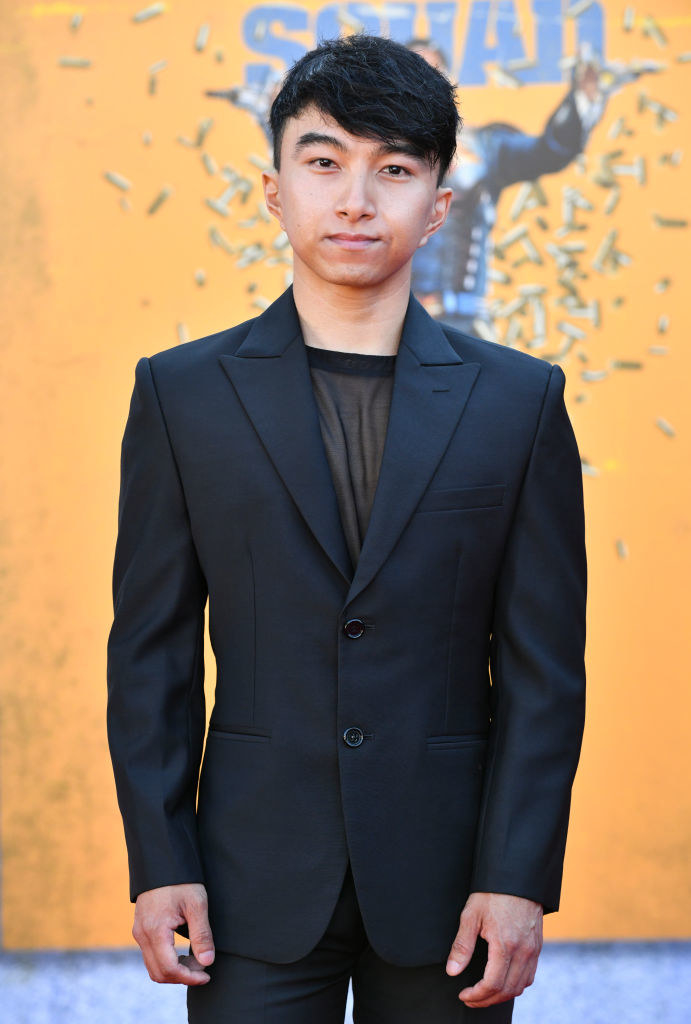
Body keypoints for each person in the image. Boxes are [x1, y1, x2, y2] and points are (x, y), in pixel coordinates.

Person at [107, 33, 587, 1023]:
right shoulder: (182, 394)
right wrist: (160, 862)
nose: (356, 199)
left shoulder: (519, 402)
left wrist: (518, 875)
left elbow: (544, 670)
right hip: (247, 880)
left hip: (455, 887)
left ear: (439, 204)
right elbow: (150, 655)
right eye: (323, 162)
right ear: (276, 189)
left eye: (394, 170)